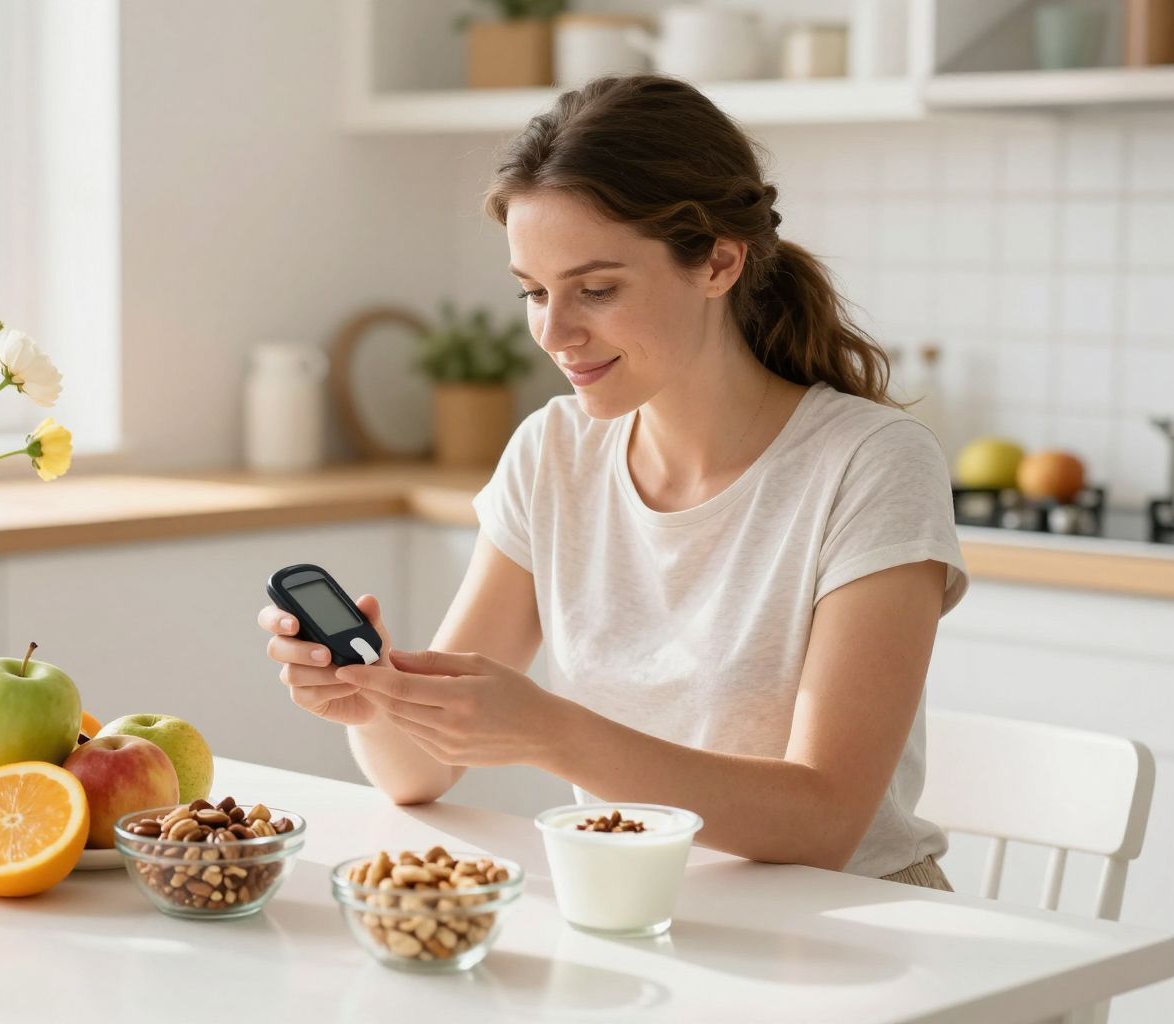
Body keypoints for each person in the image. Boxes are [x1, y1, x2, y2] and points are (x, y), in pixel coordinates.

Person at [258, 75, 967, 889]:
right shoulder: (554, 451)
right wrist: (375, 699)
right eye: (533, 292)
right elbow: (414, 774)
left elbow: (825, 823)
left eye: (597, 290)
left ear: (719, 262)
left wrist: (551, 733)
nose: (554, 334)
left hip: (853, 939)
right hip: (639, 912)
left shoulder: (870, 463)